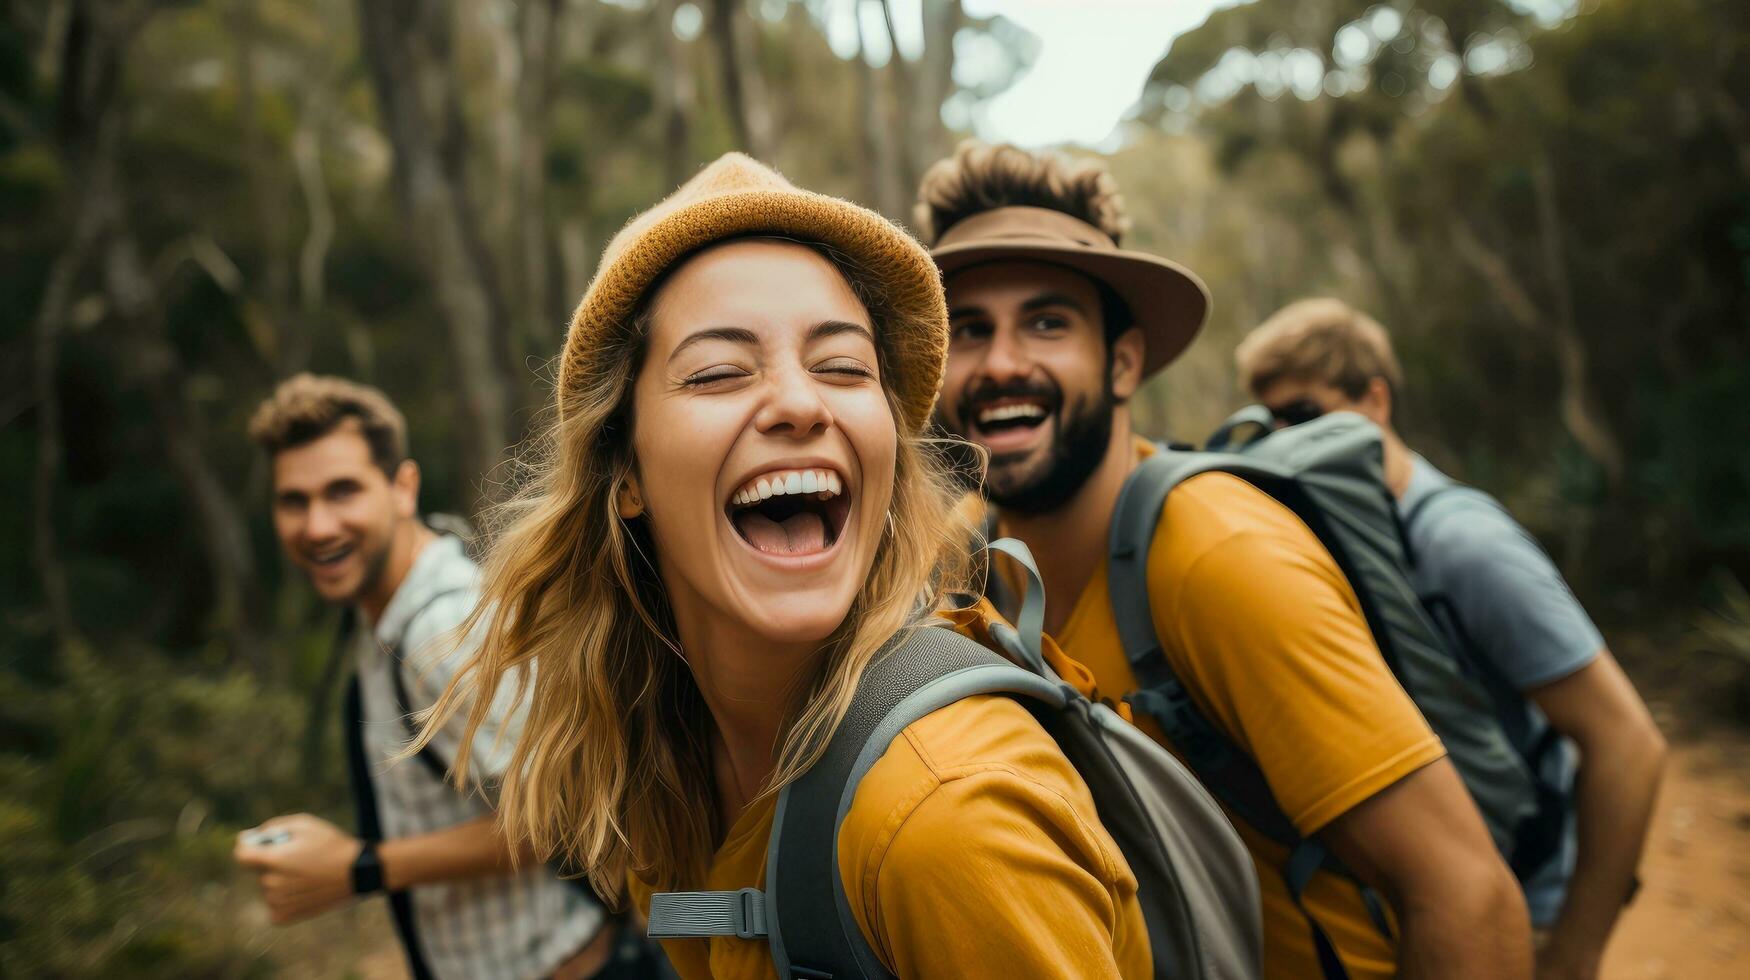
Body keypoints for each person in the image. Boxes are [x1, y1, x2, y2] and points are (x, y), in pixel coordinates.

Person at [417, 153, 1153, 979]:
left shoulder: (945, 819)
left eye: (843, 366)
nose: (802, 403)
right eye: (719, 372)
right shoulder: (667, 773)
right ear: (625, 475)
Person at [918, 141, 1531, 979]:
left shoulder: (1219, 557)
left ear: (1123, 360)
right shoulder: (962, 551)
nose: (1002, 365)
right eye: (969, 330)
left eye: (1048, 322)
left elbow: (1467, 896)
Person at [1235, 297, 1668, 979]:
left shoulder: (1463, 543)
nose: (1285, 438)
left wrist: (1576, 952)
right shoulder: (1339, 544)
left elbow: (1628, 742)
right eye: (1271, 422)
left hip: (1526, 910)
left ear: (1375, 401)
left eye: (1306, 414)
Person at [233, 374, 618, 980]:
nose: (317, 526)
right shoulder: (384, 612)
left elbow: (556, 815)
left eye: (342, 492)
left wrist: (359, 868)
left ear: (402, 487)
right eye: (294, 501)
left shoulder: (440, 629)